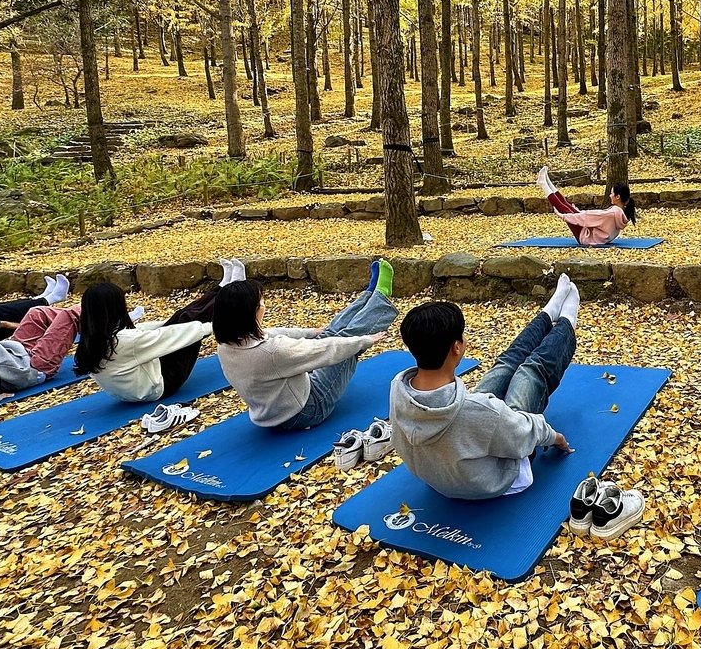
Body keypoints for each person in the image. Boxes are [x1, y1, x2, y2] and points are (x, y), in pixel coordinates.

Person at [390, 276, 585, 501]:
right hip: (492, 479)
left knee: (506, 363)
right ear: (456, 347)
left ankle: (548, 314)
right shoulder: (479, 411)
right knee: (530, 371)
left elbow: (476, 417)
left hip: (446, 472)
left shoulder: (399, 388)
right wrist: (556, 437)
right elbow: (525, 433)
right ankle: (567, 321)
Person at [215, 260, 397, 430]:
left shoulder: (227, 344)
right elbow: (325, 350)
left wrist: (312, 332)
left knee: (326, 334)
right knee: (346, 341)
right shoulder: (272, 352)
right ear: (251, 312)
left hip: (271, 411)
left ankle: (368, 295)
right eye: (261, 303)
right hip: (307, 410)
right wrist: (365, 340)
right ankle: (380, 300)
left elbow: (275, 333)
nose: (264, 306)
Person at [73, 259, 246, 402]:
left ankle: (223, 288)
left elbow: (142, 332)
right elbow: (168, 336)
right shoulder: (125, 342)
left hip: (131, 390)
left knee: (182, 316)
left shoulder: (93, 338)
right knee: (188, 320)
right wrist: (214, 325)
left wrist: (173, 319)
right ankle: (233, 293)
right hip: (159, 386)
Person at [536, 166, 637, 247]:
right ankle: (547, 181)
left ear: (618, 197)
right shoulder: (621, 212)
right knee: (566, 205)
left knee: (564, 208)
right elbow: (594, 216)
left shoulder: (613, 213)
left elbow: (590, 216)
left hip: (586, 237)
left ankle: (543, 184)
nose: (610, 195)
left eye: (611, 193)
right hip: (592, 236)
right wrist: (577, 212)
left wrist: (563, 216)